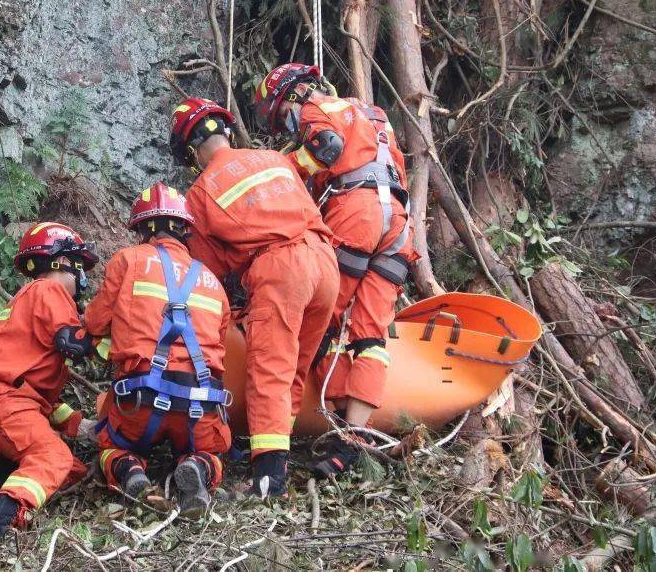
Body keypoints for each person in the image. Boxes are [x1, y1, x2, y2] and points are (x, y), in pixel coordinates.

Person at [168, 97, 339, 497]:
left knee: (269, 369)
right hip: (324, 262)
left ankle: (268, 478)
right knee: (295, 366)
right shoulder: (273, 160)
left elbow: (209, 272)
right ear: (226, 131)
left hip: (280, 271)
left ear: (191, 151)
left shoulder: (199, 194)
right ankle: (277, 446)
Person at [254, 63, 419, 475]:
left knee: (325, 317)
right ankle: (352, 439)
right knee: (369, 334)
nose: (287, 123)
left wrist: (282, 169)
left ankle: (286, 428)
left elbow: (325, 147)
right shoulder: (373, 114)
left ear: (294, 96)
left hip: (355, 212)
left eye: (281, 115)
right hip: (398, 221)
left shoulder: (317, 108)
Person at [84, 183, 232, 516]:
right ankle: (199, 466)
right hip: (199, 407)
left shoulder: (127, 260)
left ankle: (129, 470)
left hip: (140, 401)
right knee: (212, 453)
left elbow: (94, 323)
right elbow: (218, 344)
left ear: (142, 229)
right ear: (184, 230)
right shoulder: (212, 280)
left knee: (111, 444)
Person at [0, 222, 99, 541]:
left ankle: (1, 471)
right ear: (65, 263)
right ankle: (4, 522)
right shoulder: (49, 290)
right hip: (2, 401)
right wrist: (112, 337)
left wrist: (81, 425)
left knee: (71, 470)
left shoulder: (25, 303)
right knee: (53, 457)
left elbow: (41, 400)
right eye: (80, 267)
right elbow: (73, 342)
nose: (83, 278)